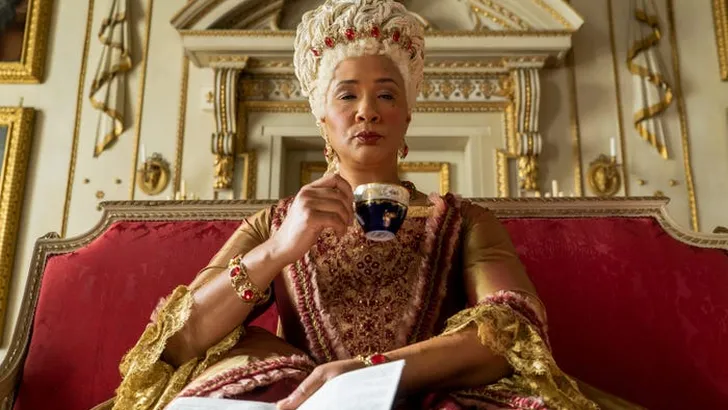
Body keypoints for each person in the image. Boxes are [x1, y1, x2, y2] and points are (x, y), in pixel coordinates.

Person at [110, 1, 636, 409]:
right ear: (322, 114)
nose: (368, 111)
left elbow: (512, 331)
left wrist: (372, 370)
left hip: (427, 393)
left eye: (386, 95)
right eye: (347, 95)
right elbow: (177, 341)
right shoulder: (274, 223)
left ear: (407, 115)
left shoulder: (465, 221)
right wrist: (279, 249)